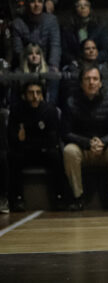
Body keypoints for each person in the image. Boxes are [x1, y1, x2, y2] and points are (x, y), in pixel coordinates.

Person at [62, 65, 108, 210]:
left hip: (105, 148)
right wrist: (87, 143)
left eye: (95, 79)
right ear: (81, 83)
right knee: (69, 151)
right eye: (87, 79)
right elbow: (66, 132)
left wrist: (103, 142)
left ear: (101, 83)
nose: (91, 82)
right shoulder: (70, 101)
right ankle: (77, 197)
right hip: (82, 148)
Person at [7, 81, 65, 211]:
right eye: (31, 93)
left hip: (43, 151)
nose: (35, 96)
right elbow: (12, 136)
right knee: (13, 157)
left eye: (38, 92)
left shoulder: (50, 110)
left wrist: (28, 139)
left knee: (56, 156)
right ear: (24, 95)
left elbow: (53, 138)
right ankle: (17, 199)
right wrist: (19, 138)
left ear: (42, 95)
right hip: (24, 152)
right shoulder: (17, 110)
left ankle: (60, 197)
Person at [12, 0, 61, 70]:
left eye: (40, 1)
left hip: (47, 64)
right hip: (25, 64)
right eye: (32, 1)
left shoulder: (51, 20)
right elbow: (18, 49)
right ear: (27, 5)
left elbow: (55, 45)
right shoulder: (18, 23)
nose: (36, 5)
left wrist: (53, 66)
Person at [60, 0, 108, 66]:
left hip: (98, 62)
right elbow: (64, 51)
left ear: (89, 8)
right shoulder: (67, 28)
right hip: (75, 63)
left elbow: (106, 50)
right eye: (79, 6)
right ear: (75, 9)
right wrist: (74, 61)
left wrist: (93, 59)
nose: (83, 7)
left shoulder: (100, 25)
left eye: (85, 5)